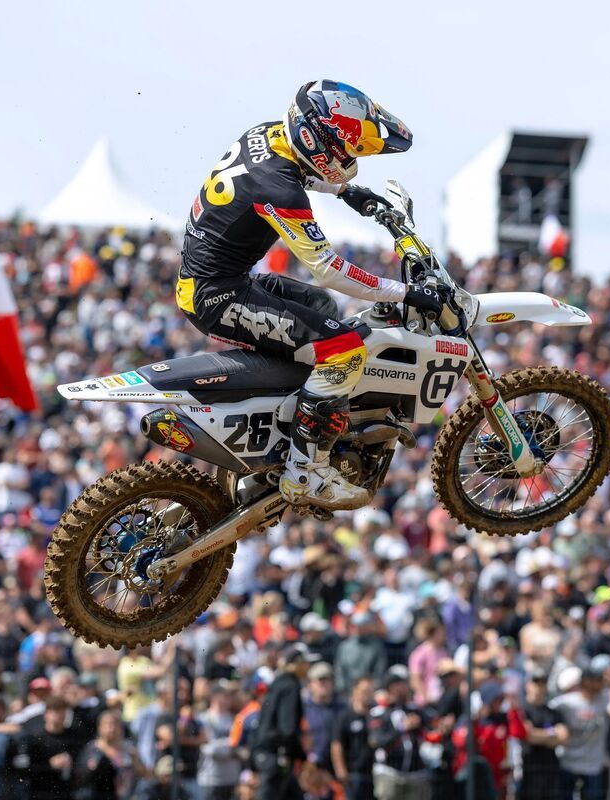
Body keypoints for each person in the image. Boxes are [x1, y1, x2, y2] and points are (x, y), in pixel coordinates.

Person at [176, 79, 451, 510]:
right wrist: (404, 293)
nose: (353, 157)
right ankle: (305, 471)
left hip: (222, 280)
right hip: (217, 296)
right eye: (350, 149)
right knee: (343, 350)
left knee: (324, 311)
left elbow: (299, 171)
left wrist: (347, 191)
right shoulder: (279, 190)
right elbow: (327, 269)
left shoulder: (268, 134)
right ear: (319, 141)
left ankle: (288, 427)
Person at [548, 664, 610, 800]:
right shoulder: (566, 703)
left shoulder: (604, 699)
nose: (601, 683)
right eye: (597, 680)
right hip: (568, 762)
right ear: (586, 682)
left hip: (592, 765)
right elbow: (546, 715)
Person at [253, 643, 316, 800]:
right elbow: (287, 729)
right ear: (296, 664)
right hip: (276, 756)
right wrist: (302, 756)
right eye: (305, 663)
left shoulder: (278, 683)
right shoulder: (290, 686)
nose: (308, 667)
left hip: (268, 754)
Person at [367, 666, 429, 800]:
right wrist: (403, 727)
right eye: (400, 684)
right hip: (389, 773)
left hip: (415, 774)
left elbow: (431, 729)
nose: (405, 687)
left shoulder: (414, 709)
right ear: (391, 687)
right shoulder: (379, 712)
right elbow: (377, 741)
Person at [515, 667, 568, 800]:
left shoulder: (553, 712)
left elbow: (563, 737)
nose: (539, 687)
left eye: (543, 683)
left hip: (551, 769)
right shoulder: (522, 710)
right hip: (529, 769)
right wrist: (552, 734)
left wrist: (540, 735)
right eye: (536, 683)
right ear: (528, 685)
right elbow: (529, 736)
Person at [20, 695, 78, 800]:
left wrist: (71, 761)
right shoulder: (36, 739)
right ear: (46, 715)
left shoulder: (73, 736)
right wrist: (50, 765)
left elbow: (80, 760)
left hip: (66, 792)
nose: (60, 715)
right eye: (55, 711)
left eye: (62, 712)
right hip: (42, 792)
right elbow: (28, 769)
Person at [331, 676, 375, 800]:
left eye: (370, 691)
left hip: (375, 773)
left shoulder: (376, 715)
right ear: (355, 691)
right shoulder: (345, 717)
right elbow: (337, 744)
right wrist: (341, 771)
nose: (367, 695)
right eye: (364, 691)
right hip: (354, 774)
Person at [303, 662, 343, 772]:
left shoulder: (342, 708)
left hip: (336, 768)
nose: (323, 684)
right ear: (310, 684)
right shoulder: (303, 709)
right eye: (319, 681)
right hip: (310, 767)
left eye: (327, 680)